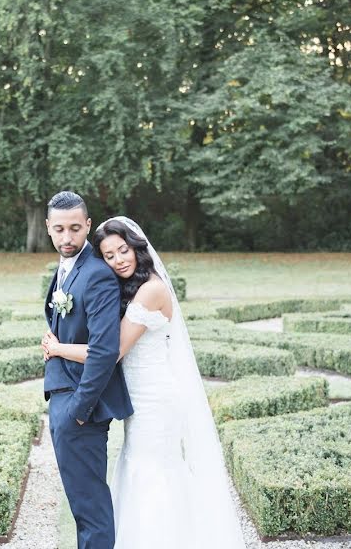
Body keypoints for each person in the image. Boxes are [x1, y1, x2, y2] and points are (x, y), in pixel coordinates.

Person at [42, 216, 247, 548]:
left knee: (152, 477)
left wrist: (57, 348)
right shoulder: (131, 286)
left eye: (123, 250)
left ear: (136, 247)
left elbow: (112, 351)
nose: (118, 260)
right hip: (138, 399)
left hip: (156, 399)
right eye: (109, 255)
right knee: (139, 472)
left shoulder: (151, 290)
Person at [41, 191, 134, 549]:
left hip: (81, 407)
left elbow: (105, 350)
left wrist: (79, 411)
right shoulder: (65, 269)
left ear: (88, 226)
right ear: (49, 228)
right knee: (81, 506)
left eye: (76, 229)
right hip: (62, 396)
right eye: (60, 229)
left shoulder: (97, 274)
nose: (67, 238)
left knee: (91, 510)